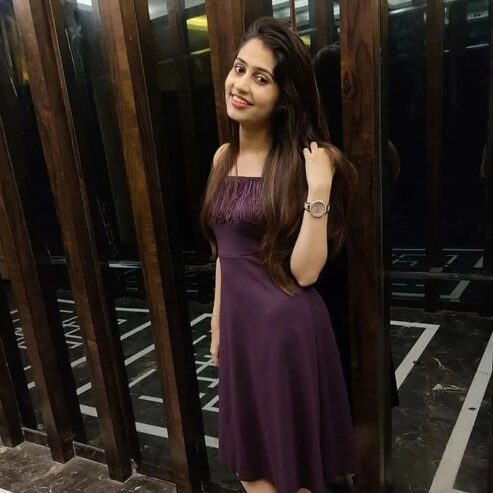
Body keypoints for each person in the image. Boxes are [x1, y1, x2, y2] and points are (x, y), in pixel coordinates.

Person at [199, 17, 359, 493]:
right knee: (253, 472)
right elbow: (225, 253)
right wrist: (217, 321)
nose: (241, 85)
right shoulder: (221, 158)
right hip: (241, 332)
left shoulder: (301, 164)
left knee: (293, 476)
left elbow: (306, 273)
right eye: (239, 69)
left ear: (284, 97)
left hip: (287, 333)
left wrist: (320, 189)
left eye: (261, 78)